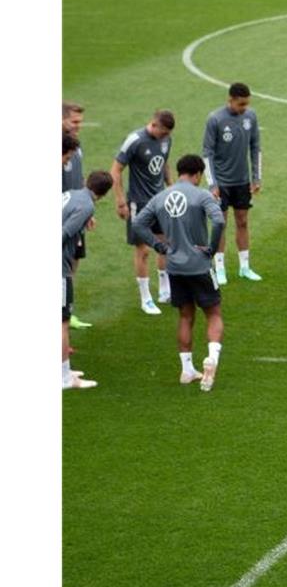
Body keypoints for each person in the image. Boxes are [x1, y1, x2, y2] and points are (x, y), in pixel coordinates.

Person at [133, 155, 227, 391]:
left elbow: (138, 224)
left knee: (185, 316)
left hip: (174, 266)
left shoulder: (161, 197)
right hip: (200, 265)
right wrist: (212, 249)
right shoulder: (202, 194)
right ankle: (212, 359)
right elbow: (218, 221)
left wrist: (159, 247)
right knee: (214, 313)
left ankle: (186, 370)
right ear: (197, 174)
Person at [111, 109, 175, 315]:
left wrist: (171, 187)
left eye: (168, 134)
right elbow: (116, 169)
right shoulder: (135, 140)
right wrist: (120, 200)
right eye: (163, 132)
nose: (165, 137)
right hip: (139, 203)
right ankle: (145, 298)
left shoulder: (166, 140)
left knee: (165, 243)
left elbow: (164, 163)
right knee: (143, 250)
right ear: (154, 125)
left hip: (160, 200)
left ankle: (165, 292)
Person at [202, 82, 262, 284]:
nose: (244, 107)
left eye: (246, 104)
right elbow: (207, 153)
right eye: (241, 104)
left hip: (242, 181)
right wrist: (212, 184)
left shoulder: (250, 117)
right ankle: (219, 269)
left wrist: (256, 177)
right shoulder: (215, 119)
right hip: (222, 182)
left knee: (243, 221)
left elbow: (255, 147)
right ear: (231, 100)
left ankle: (244, 267)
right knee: (221, 223)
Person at [63, 163, 112, 389]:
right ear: (103, 194)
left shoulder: (70, 194)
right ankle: (64, 377)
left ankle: (64, 368)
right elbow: (63, 233)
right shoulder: (86, 206)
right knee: (62, 322)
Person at [62, 102, 93, 329]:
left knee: (73, 262)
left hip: (76, 214)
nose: (78, 126)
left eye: (80, 122)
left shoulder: (76, 147)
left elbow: (80, 179)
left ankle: (66, 309)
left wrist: (86, 210)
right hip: (63, 217)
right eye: (74, 122)